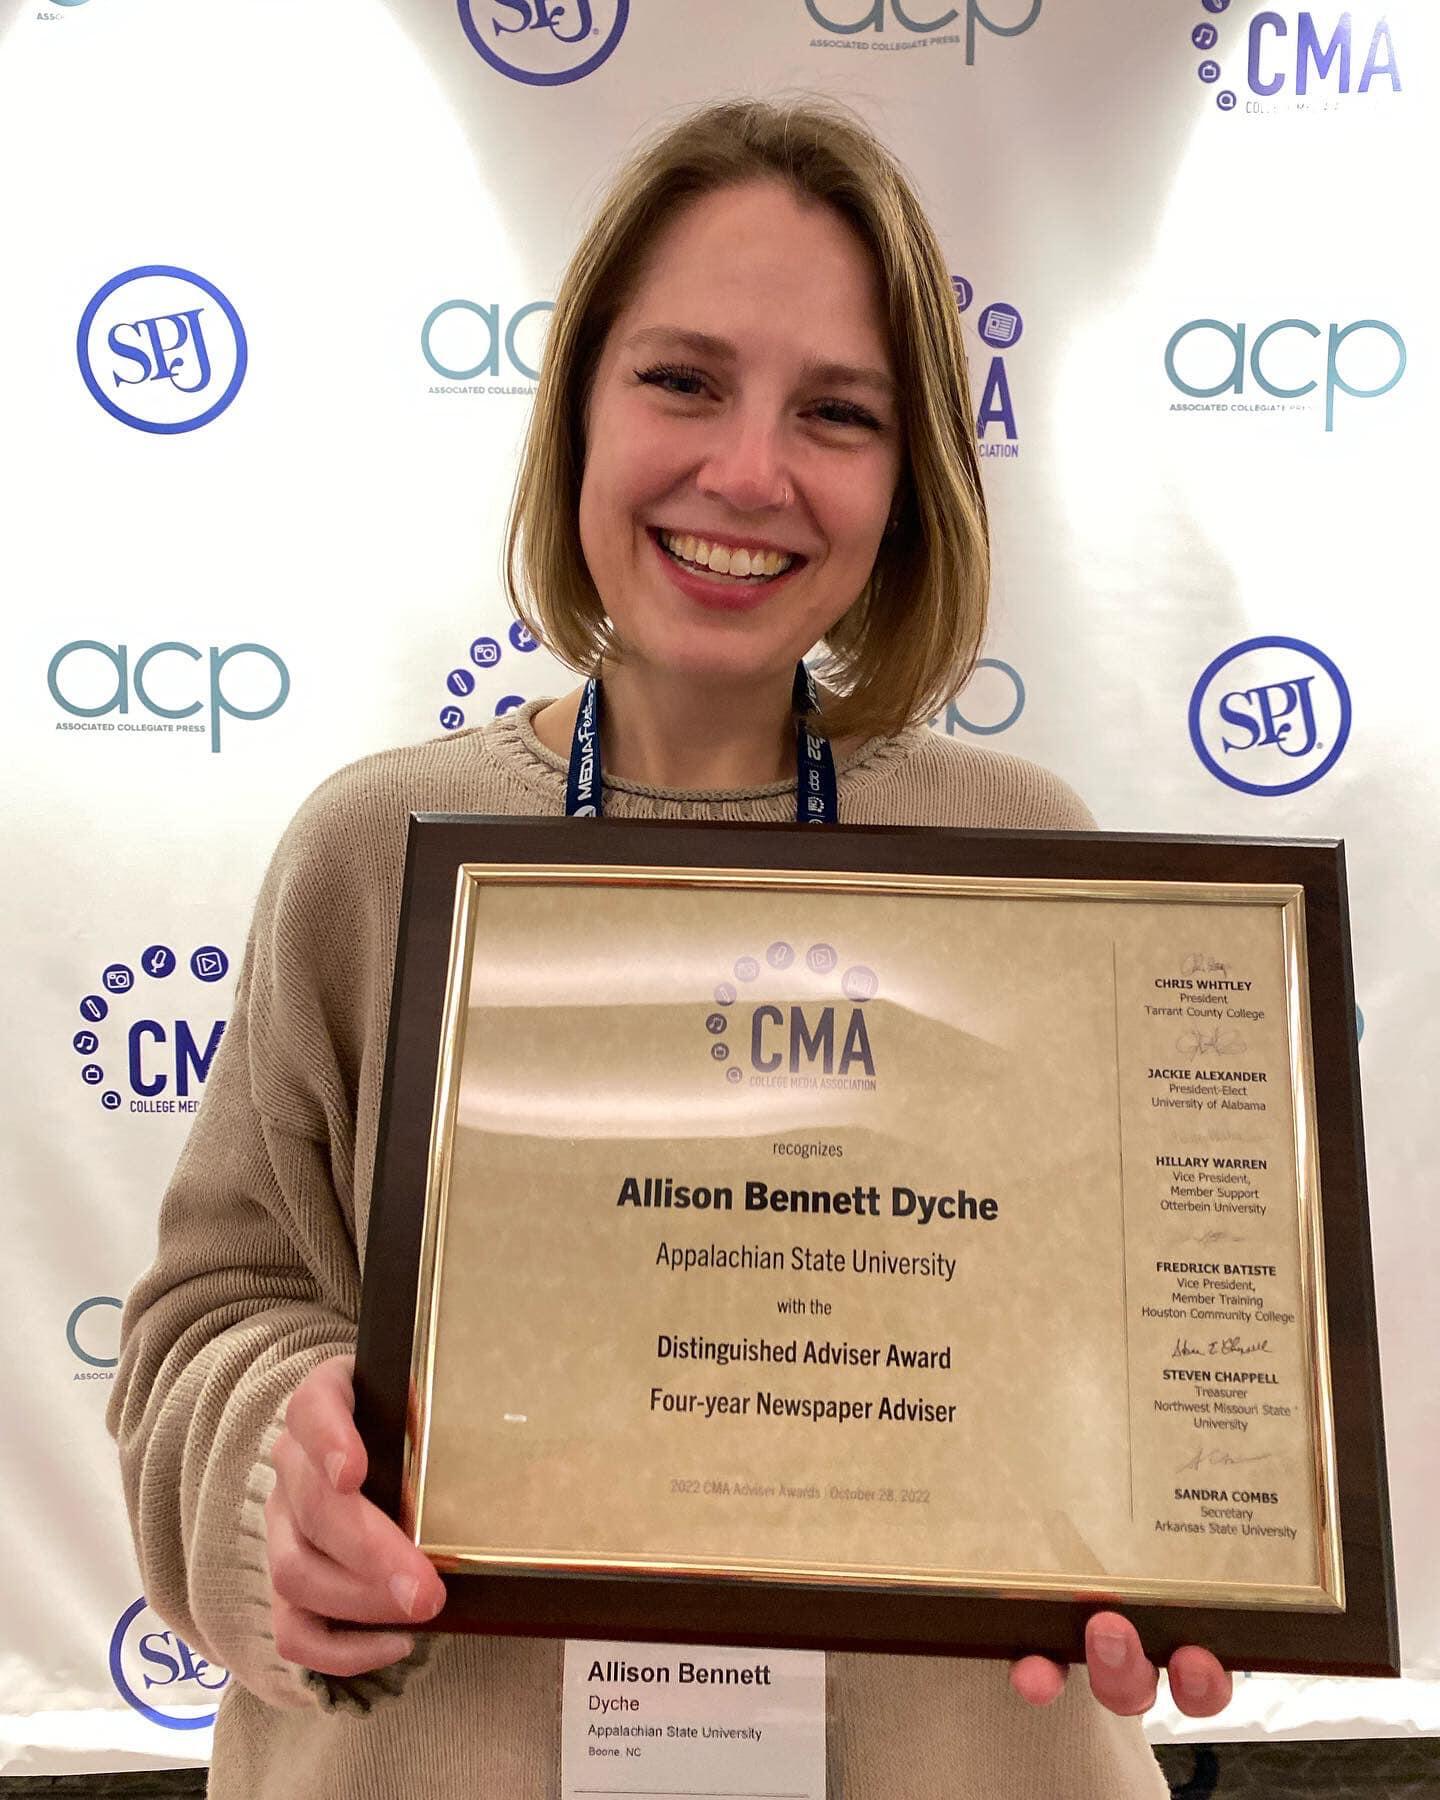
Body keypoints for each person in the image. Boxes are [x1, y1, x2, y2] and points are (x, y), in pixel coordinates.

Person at [108, 96, 1231, 1798]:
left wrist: (1185, 1509)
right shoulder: (372, 854)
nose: (748, 472)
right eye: (684, 379)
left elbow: (1136, 1350)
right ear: (577, 414)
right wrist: (282, 1473)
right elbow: (213, 1317)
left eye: (836, 413)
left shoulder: (1028, 868)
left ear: (907, 478)